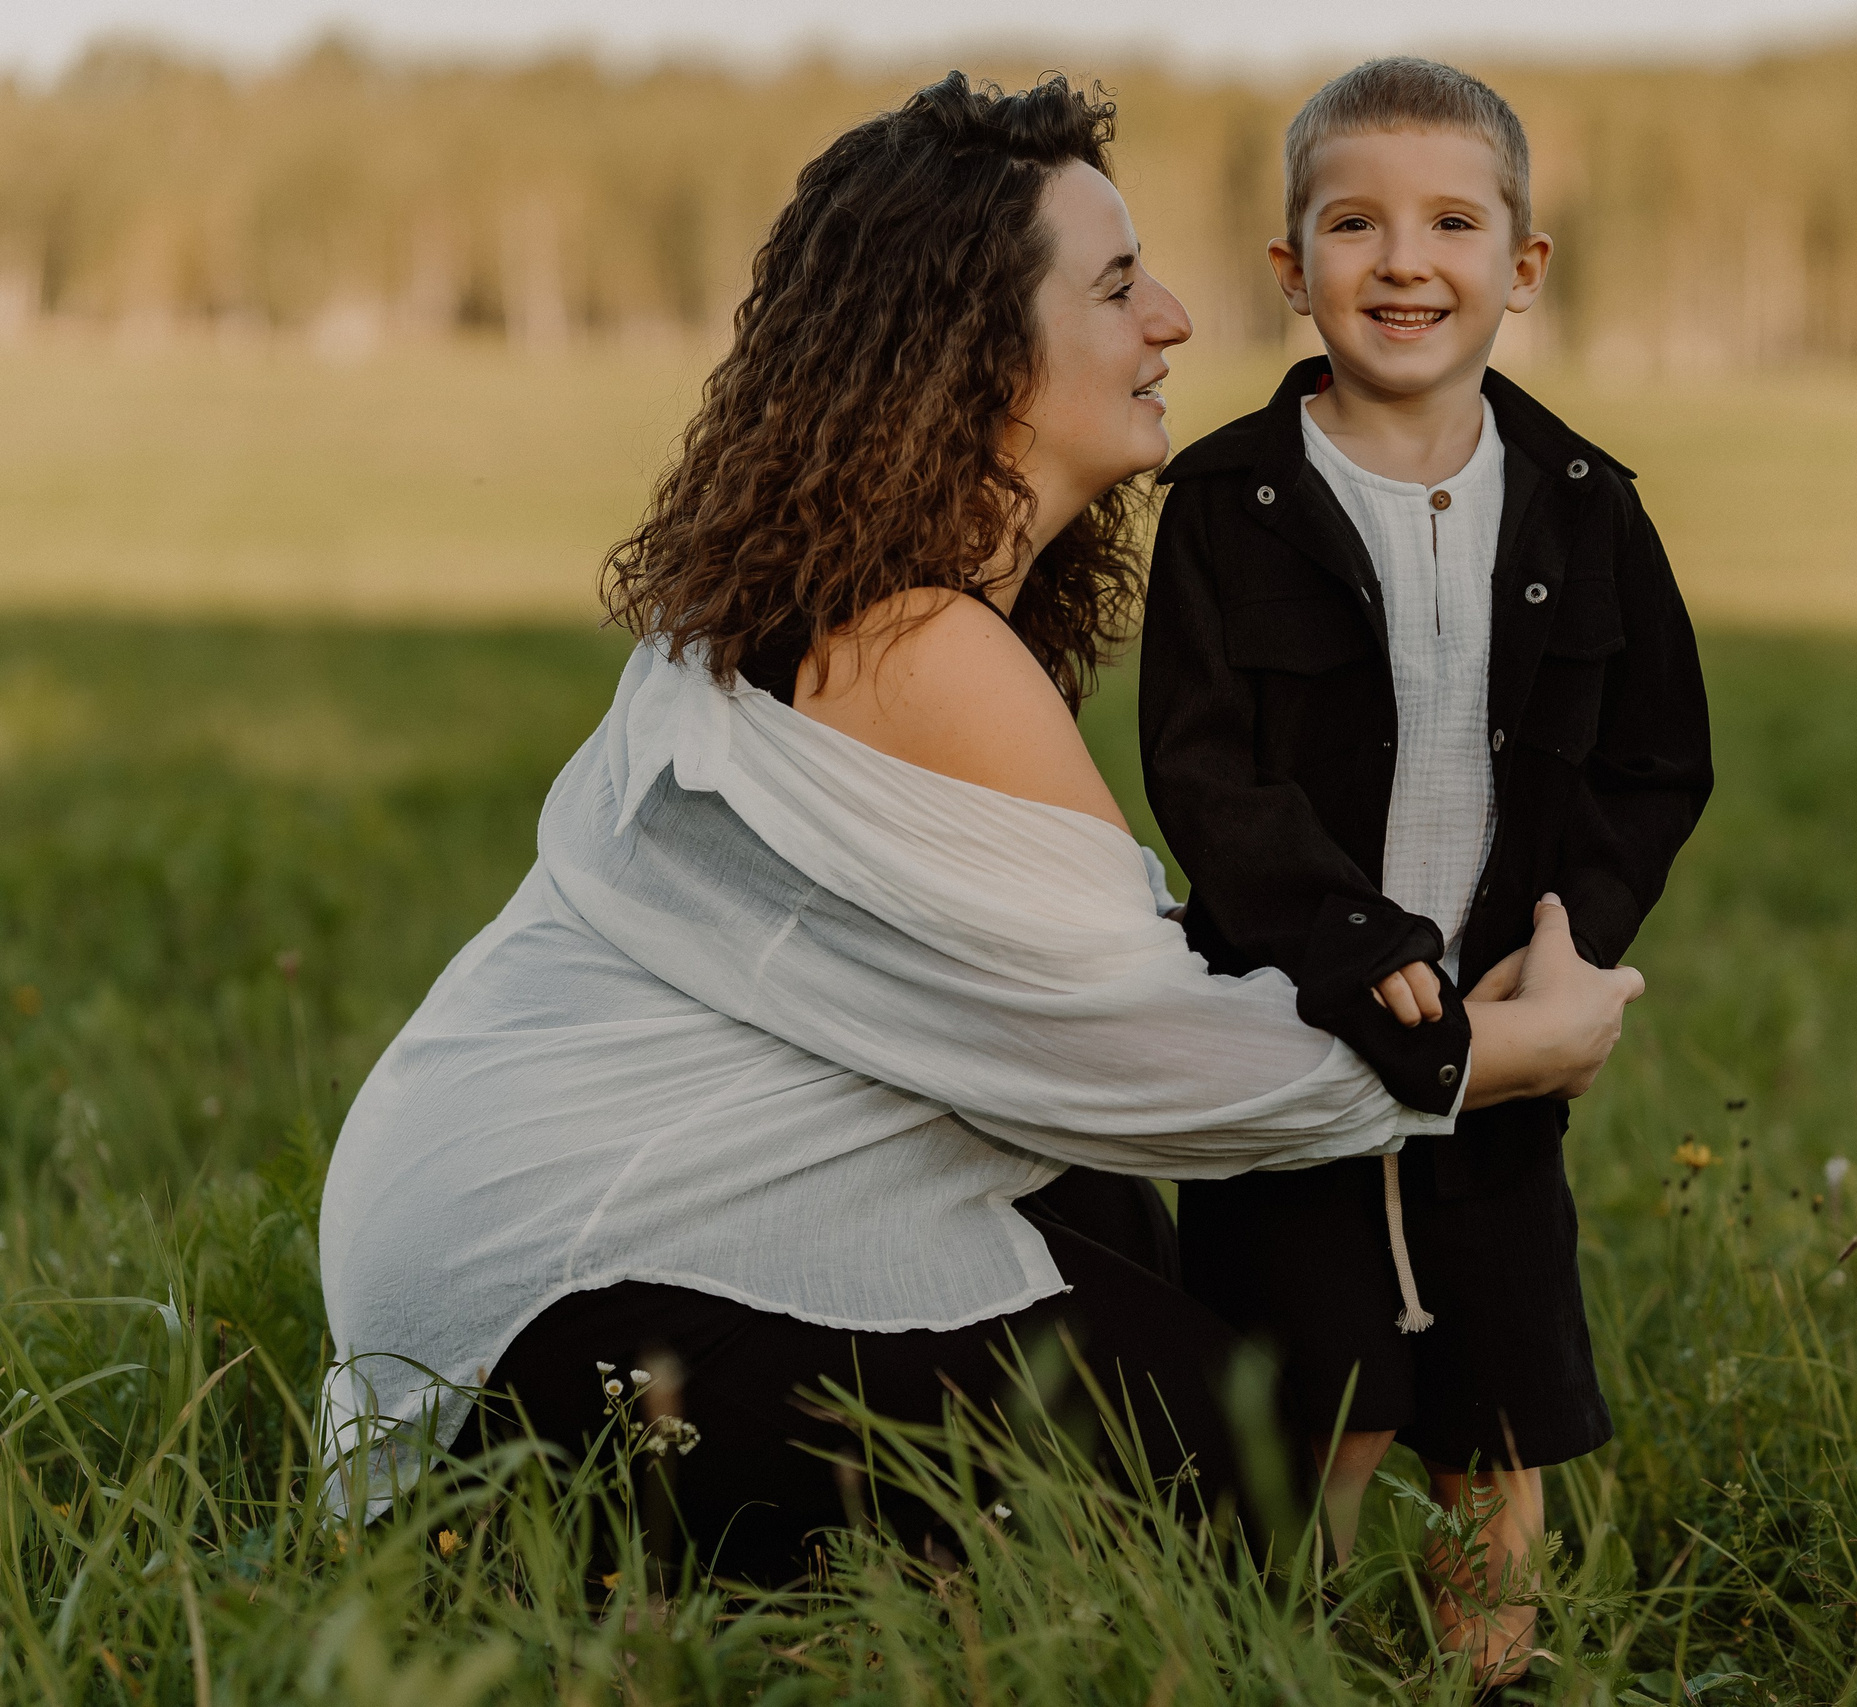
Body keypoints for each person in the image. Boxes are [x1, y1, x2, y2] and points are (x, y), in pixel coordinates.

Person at [315, 70, 1647, 1591]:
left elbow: (1065, 1054)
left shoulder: (839, 595)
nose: (1176, 325)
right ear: (977, 347)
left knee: (1118, 1237)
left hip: (474, 1258)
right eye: (1120, 285)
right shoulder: (909, 642)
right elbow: (1132, 1055)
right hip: (551, 1316)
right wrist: (1483, 1065)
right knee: (1232, 1483)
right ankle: (617, 1571)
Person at [1138, 57, 1713, 1680]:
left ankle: (1491, 1667)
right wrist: (1334, 930)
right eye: (1355, 222)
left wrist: (1570, 943)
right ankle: (1279, 1653)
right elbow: (1201, 764)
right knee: (1316, 1405)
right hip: (1300, 1018)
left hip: (1502, 1037)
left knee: (1494, 1417)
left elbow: (1657, 761)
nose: (1405, 260)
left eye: (1452, 221)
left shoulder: (1589, 508)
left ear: (1521, 267)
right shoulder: (1230, 508)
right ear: (1290, 268)